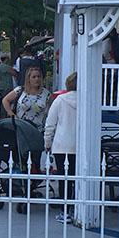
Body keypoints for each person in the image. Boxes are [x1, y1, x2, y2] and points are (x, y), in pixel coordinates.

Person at [44, 72, 78, 224]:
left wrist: (47, 142)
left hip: (62, 145)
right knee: (77, 178)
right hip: (78, 146)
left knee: (64, 179)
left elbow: (50, 123)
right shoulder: (86, 100)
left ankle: (65, 211)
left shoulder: (60, 101)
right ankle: (77, 208)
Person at [2, 66, 51, 132]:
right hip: (21, 128)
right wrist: (13, 116)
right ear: (28, 79)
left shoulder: (46, 94)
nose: (37, 79)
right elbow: (5, 100)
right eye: (34, 77)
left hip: (38, 130)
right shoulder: (20, 90)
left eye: (38, 76)